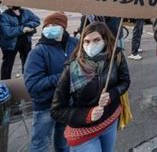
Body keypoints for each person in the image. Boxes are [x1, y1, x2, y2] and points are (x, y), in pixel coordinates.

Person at [51, 22, 130, 152]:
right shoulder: (71, 68)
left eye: (96, 40)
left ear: (105, 40)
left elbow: (125, 82)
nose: (90, 45)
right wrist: (87, 115)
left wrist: (112, 94)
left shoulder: (116, 57)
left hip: (110, 122)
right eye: (86, 41)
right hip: (83, 132)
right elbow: (56, 110)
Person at [24, 11, 77, 152]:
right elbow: (33, 85)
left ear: (64, 28)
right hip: (45, 106)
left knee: (64, 142)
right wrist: (64, 76)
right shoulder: (38, 52)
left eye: (55, 25)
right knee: (40, 144)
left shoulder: (74, 44)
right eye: (48, 25)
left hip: (67, 103)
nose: (51, 28)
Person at [0, 6, 40, 80]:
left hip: (26, 41)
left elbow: (36, 20)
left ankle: (27, 80)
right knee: (8, 64)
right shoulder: (4, 16)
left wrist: (27, 26)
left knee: (27, 62)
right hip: (10, 43)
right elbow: (8, 32)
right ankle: (5, 82)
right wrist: (23, 29)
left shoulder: (26, 12)